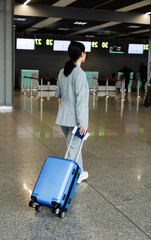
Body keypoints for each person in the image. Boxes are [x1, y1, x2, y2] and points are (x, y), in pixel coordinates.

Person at [55, 41, 89, 184]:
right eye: (85, 52)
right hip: (75, 121)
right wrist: (83, 123)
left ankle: (79, 172)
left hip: (63, 118)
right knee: (72, 149)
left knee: (74, 146)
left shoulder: (62, 71)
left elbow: (57, 94)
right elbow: (81, 101)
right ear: (82, 54)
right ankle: (63, 180)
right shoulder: (80, 74)